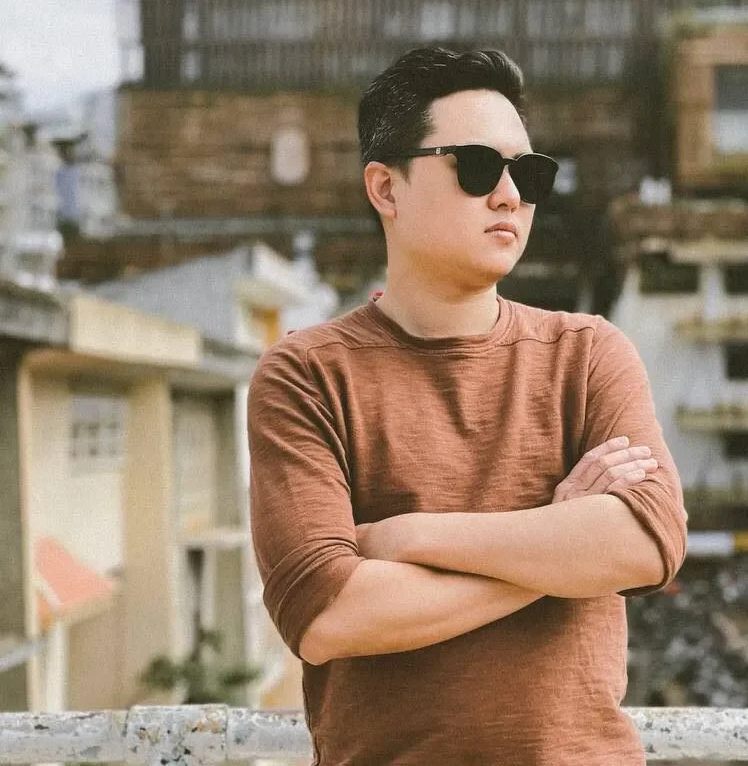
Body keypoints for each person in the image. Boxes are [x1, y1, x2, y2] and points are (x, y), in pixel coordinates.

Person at [248, 46, 687, 765]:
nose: (509, 195)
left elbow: (646, 545)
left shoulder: (587, 353)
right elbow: (329, 615)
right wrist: (559, 543)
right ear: (385, 188)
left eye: (529, 173)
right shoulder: (306, 374)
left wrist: (410, 536)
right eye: (477, 168)